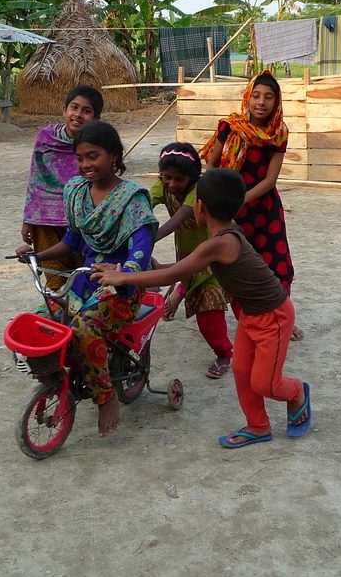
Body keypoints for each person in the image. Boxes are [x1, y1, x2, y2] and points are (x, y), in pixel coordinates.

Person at [93, 168, 311, 448]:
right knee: (243, 373)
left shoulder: (221, 243)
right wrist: (124, 270)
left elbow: (173, 276)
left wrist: (122, 277)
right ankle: (258, 426)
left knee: (265, 383)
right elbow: (180, 268)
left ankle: (297, 394)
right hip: (252, 315)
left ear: (200, 206)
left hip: (274, 317)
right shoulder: (222, 239)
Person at [17, 120, 158, 437]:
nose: (85, 165)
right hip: (85, 281)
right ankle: (61, 380)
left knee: (82, 328)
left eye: (93, 156)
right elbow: (73, 242)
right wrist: (36, 256)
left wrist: (124, 273)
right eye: (80, 158)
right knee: (43, 320)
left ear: (114, 156)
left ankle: (106, 399)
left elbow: (141, 248)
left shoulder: (132, 198)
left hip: (123, 287)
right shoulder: (76, 192)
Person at [199, 69, 304, 341]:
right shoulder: (229, 126)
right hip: (229, 210)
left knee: (277, 263)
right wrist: (220, 199)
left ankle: (284, 318)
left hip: (265, 209)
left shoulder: (279, 133)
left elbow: (270, 180)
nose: (261, 102)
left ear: (276, 101)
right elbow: (211, 164)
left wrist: (241, 199)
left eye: (269, 97)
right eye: (256, 95)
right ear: (247, 97)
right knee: (237, 267)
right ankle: (250, 320)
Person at [151, 142, 234, 380]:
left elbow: (180, 218)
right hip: (188, 251)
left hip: (216, 248)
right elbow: (144, 202)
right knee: (193, 283)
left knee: (211, 307)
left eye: (179, 179)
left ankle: (224, 353)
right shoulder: (163, 185)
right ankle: (181, 289)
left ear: (193, 177)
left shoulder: (199, 190)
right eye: (167, 178)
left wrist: (150, 239)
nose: (172, 184)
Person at [21, 85, 104, 290]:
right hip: (45, 222)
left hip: (83, 221)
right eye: (74, 108)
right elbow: (35, 181)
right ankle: (63, 318)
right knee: (56, 282)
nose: (78, 115)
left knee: (84, 279)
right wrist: (28, 220)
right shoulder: (45, 138)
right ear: (64, 109)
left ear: (96, 117)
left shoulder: (99, 144)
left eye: (86, 110)